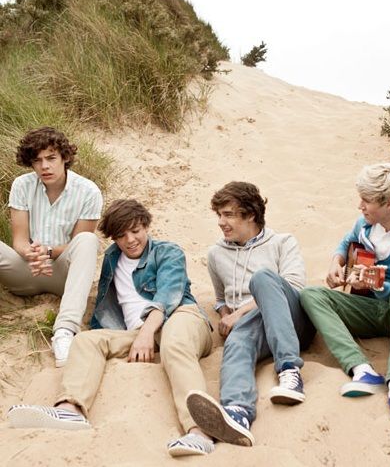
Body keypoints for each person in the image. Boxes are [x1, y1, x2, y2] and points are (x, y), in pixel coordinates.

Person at [7, 199, 215, 457]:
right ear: (113, 238)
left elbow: (168, 299)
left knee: (174, 343)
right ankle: (70, 409)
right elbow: (106, 306)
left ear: (146, 226)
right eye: (121, 235)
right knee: (86, 341)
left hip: (181, 318)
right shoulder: (112, 258)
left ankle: (200, 430)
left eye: (136, 231)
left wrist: (147, 334)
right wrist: (131, 335)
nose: (130, 240)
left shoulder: (167, 252)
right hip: (138, 334)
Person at [185, 181, 315, 447]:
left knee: (263, 279)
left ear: (251, 215)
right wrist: (224, 313)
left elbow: (294, 286)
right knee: (238, 340)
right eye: (219, 215)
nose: (221, 222)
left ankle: (290, 370)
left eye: (229, 214)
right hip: (252, 328)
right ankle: (238, 412)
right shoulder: (216, 254)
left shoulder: (282, 242)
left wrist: (239, 312)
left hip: (290, 320)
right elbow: (221, 299)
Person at [300, 163, 390, 427]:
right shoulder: (366, 223)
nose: (360, 205)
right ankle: (362, 369)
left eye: (366, 200)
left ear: (389, 203)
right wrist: (336, 262)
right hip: (370, 309)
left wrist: (383, 284)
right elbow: (346, 243)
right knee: (311, 295)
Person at [0, 127, 102, 366]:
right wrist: (32, 253)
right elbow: (19, 240)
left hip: (64, 278)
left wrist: (47, 252)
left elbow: (77, 245)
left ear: (65, 157)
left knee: (88, 241)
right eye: (37, 161)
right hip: (27, 270)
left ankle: (65, 331)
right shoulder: (22, 185)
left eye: (51, 158)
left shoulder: (88, 191)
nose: (44, 166)